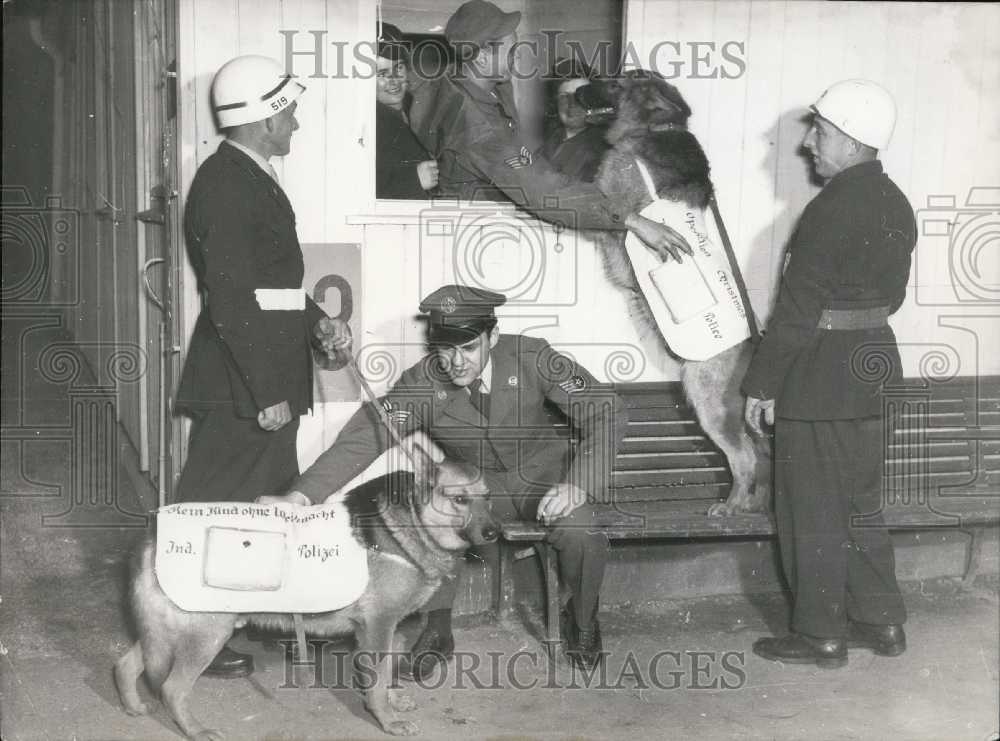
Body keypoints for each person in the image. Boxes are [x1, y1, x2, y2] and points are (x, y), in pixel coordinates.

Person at [274, 285, 629, 675]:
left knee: (580, 529)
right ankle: (438, 629)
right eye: (445, 349)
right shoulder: (424, 382)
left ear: (493, 336)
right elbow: (367, 436)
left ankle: (582, 618)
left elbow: (606, 410)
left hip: (542, 480)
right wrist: (301, 495)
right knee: (432, 510)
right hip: (479, 490)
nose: (457, 362)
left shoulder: (533, 357)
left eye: (469, 348)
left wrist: (578, 484)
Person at [173, 54, 352, 677]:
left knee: (271, 505)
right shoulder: (225, 185)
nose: (295, 124)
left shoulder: (250, 175)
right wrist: (265, 391)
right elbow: (230, 299)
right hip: (242, 386)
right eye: (289, 114)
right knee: (211, 508)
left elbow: (271, 287)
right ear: (264, 119)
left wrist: (317, 320)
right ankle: (187, 634)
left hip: (265, 376)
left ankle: (273, 618)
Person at [743, 79, 915, 668]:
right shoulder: (895, 202)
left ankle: (820, 634)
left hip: (819, 379)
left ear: (850, 139)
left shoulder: (829, 208)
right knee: (861, 506)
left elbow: (797, 311)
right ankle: (882, 622)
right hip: (875, 372)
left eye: (819, 131)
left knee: (811, 510)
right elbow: (893, 298)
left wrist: (762, 385)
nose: (809, 143)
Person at [407, 0, 692, 264]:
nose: (517, 59)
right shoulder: (476, 125)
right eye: (511, 52)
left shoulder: (478, 86)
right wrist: (633, 220)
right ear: (481, 58)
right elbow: (543, 191)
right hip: (477, 240)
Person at [374, 23, 439, 198]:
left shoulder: (418, 106)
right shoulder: (368, 125)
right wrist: (413, 180)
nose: (394, 79)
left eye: (399, 67)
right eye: (382, 74)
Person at [540, 65, 610, 183]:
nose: (572, 105)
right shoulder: (549, 142)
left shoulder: (603, 153)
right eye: (564, 97)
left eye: (581, 96)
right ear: (555, 103)